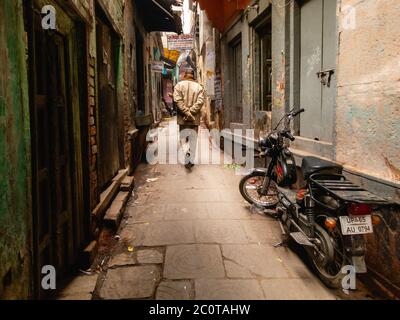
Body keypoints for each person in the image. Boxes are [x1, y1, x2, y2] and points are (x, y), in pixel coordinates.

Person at [173, 69, 205, 169]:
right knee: (193, 138)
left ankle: (186, 152)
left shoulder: (178, 85)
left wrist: (186, 112)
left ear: (185, 75)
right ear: (193, 76)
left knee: (183, 137)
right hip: (194, 119)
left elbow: (178, 101)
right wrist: (191, 113)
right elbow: (200, 102)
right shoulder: (199, 87)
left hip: (182, 118)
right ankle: (190, 158)